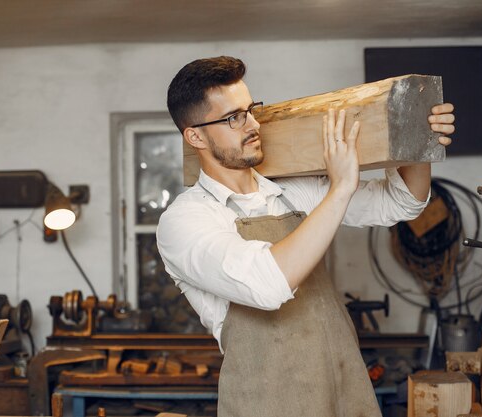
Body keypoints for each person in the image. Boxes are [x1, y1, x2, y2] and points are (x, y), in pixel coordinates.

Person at [157, 56, 454, 417]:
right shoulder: (186, 220)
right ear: (195, 135)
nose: (252, 125)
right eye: (234, 117)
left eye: (251, 110)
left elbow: (401, 202)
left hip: (343, 392)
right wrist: (340, 188)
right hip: (266, 404)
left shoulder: (291, 191)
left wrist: (418, 139)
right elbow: (266, 285)